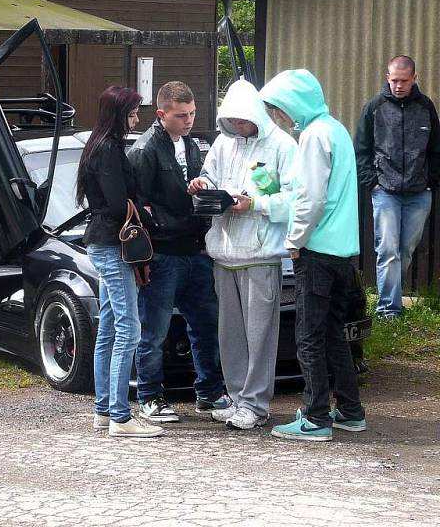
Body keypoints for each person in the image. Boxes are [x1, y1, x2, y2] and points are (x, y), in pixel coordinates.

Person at [261, 69, 366, 442]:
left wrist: (294, 239)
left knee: (309, 335)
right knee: (334, 333)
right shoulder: (335, 129)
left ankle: (315, 416)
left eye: (278, 110)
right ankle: (350, 410)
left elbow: (309, 198)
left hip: (317, 250)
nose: (278, 118)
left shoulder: (313, 137)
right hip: (342, 252)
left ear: (292, 105)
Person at [188, 79, 297, 429]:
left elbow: (295, 199)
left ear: (256, 115)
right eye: (230, 120)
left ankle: (256, 403)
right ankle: (237, 398)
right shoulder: (223, 142)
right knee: (230, 333)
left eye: (242, 120)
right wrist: (202, 186)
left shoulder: (282, 145)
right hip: (224, 252)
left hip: (262, 253)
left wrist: (256, 204)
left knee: (260, 334)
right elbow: (209, 175)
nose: (236, 126)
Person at [128, 81, 228, 423]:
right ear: (161, 115)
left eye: (193, 113)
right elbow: (138, 205)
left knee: (204, 324)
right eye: (181, 115)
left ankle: (209, 392)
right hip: (165, 251)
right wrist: (156, 239)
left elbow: (198, 186)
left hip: (195, 248)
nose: (188, 120)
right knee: (153, 329)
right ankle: (150, 396)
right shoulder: (145, 150)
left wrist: (201, 188)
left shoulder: (192, 144)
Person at [77, 86, 162, 438]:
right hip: (113, 245)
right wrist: (143, 210)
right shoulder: (109, 149)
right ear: (117, 115)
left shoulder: (98, 145)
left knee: (111, 326)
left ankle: (104, 410)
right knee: (129, 328)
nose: (136, 119)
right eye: (131, 114)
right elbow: (115, 204)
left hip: (104, 243)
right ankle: (119, 417)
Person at [354, 55, 440, 319]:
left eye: (404, 80)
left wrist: (429, 181)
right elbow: (361, 150)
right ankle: (389, 310)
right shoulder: (374, 107)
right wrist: (374, 183)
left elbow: (436, 150)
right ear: (386, 77)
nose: (398, 85)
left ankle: (393, 300)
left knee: (405, 251)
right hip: (385, 193)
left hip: (418, 193)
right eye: (394, 80)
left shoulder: (426, 107)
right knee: (388, 249)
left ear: (415, 78)